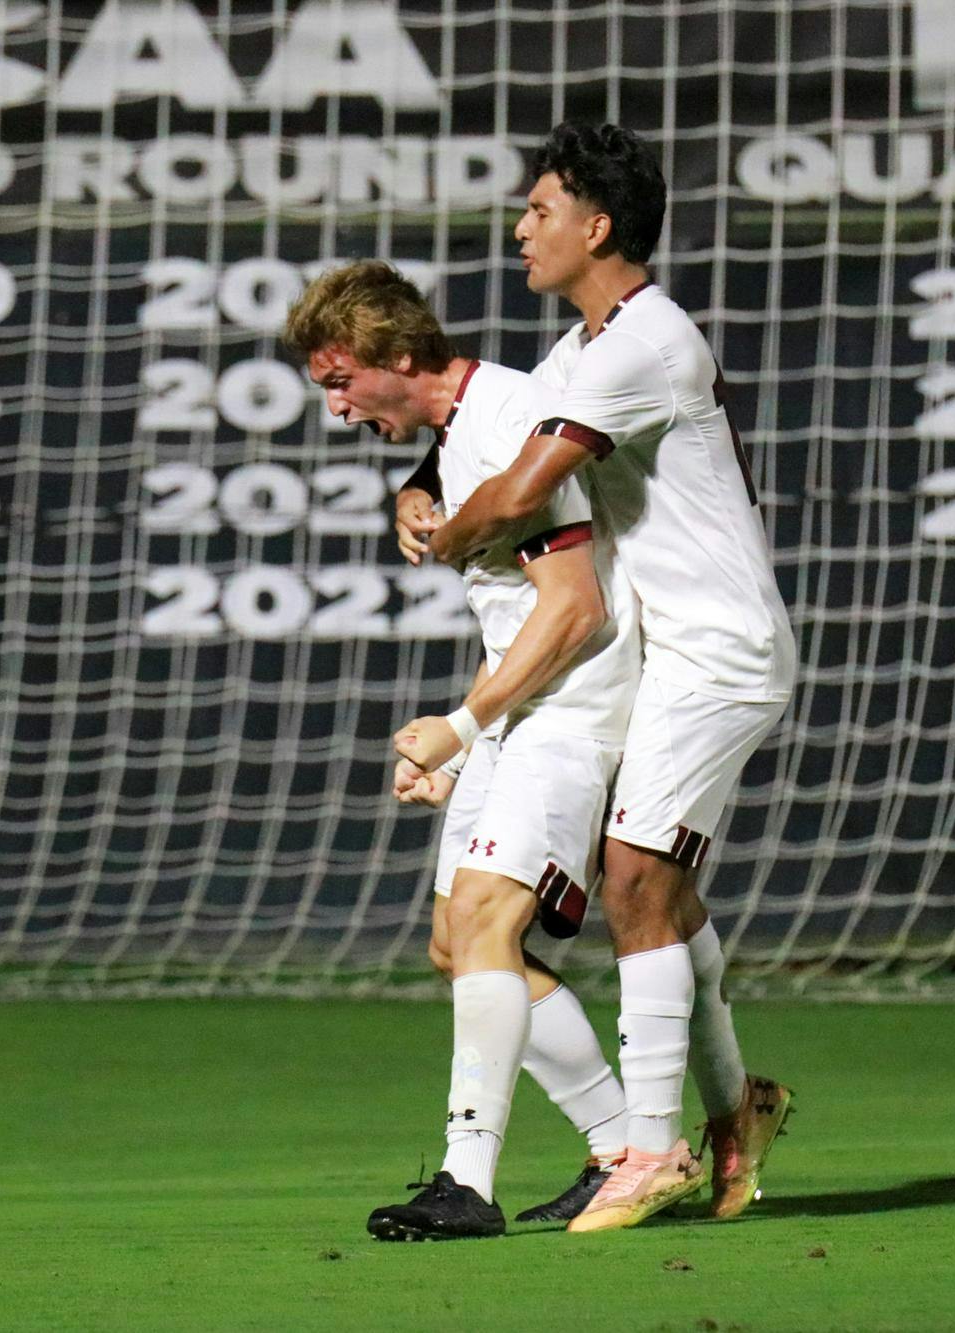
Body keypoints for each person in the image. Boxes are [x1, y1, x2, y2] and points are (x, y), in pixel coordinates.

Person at [404, 123, 798, 1232]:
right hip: (666, 653)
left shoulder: (644, 341)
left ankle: (650, 1149)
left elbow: (522, 484)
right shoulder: (581, 352)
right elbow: (477, 434)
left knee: (632, 878)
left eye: (538, 211)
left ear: (597, 226)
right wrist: (415, 480)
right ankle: (737, 1112)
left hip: (718, 650)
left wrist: (450, 536)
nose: (519, 228)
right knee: (659, 892)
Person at [283, 260, 639, 1240]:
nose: (338, 409)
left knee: (484, 920)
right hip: (522, 711)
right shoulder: (464, 430)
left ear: (399, 356)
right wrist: (416, 482)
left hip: (570, 705)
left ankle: (465, 1177)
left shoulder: (508, 421)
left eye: (340, 381)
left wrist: (459, 726)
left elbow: (574, 610)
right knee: (458, 945)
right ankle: (625, 1148)